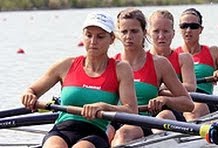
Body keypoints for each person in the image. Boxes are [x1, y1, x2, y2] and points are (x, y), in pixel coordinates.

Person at [21, 12, 138, 148]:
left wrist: (103, 106)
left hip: (94, 133)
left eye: (100, 37)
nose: (93, 42)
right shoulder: (65, 65)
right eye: (88, 35)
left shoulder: (121, 69)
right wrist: (28, 95)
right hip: (61, 130)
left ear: (111, 39)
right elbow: (32, 90)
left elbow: (131, 111)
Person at [110, 8, 194, 146]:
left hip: (146, 122)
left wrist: (165, 100)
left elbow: (188, 104)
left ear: (144, 32)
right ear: (118, 34)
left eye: (134, 31)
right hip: (115, 120)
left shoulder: (159, 64)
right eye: (124, 32)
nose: (128, 36)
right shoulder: (111, 64)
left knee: (123, 134)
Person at [147, 9, 196, 120]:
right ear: (148, 33)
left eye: (165, 31)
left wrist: (163, 89)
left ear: (173, 33)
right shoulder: (139, 61)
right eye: (156, 31)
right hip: (145, 111)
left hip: (174, 110)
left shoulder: (183, 58)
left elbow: (190, 87)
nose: (161, 36)